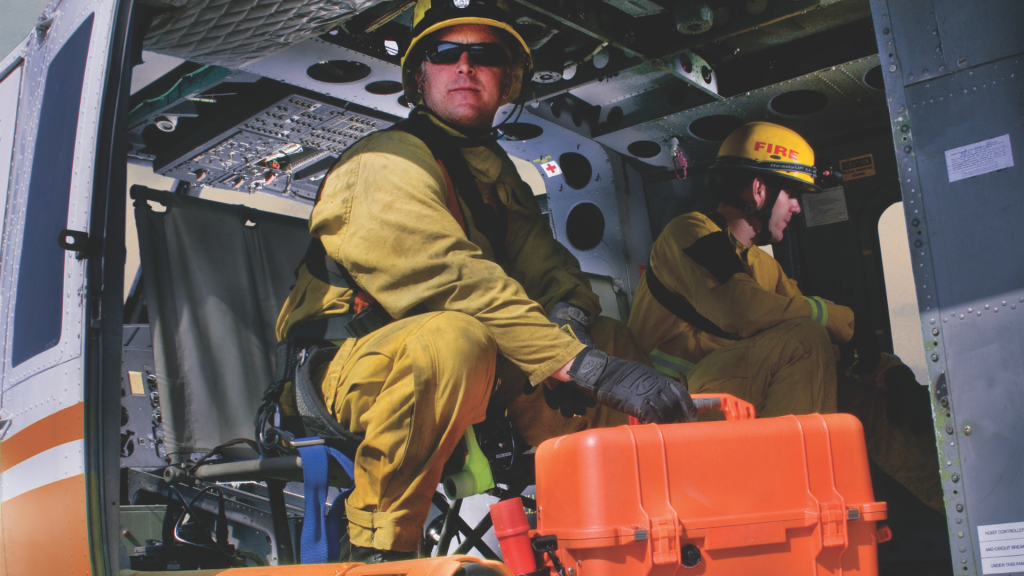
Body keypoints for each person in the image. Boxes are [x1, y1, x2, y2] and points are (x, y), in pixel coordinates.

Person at [274, 0, 696, 563]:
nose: (465, 66)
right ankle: (378, 552)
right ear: (419, 75)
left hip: (465, 369)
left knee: (609, 338)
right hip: (346, 372)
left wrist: (570, 323)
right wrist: (579, 366)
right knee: (455, 339)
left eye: (486, 55)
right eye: (445, 52)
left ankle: (623, 536)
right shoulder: (383, 164)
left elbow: (552, 270)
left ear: (508, 79)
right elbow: (453, 282)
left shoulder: (494, 174)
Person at [627, 121, 941, 511]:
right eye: (791, 193)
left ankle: (960, 507)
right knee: (804, 341)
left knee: (864, 397)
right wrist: (845, 321)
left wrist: (885, 369)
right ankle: (788, 509)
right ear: (759, 190)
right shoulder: (689, 233)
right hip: (673, 409)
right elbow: (741, 310)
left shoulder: (763, 267)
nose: (797, 206)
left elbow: (811, 329)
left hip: (732, 400)